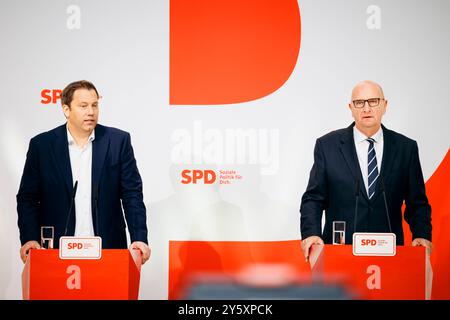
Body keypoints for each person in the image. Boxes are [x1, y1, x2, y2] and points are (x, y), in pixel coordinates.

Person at [17, 80, 151, 264]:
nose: (91, 112)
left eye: (95, 105)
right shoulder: (42, 145)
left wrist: (139, 237)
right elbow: (28, 197)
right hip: (54, 251)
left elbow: (132, 194)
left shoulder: (118, 141)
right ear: (66, 109)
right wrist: (30, 238)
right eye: (83, 106)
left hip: (108, 249)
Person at [300, 80, 432, 261]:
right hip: (340, 253)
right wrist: (311, 233)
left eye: (373, 101)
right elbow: (313, 198)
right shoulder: (327, 146)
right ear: (351, 108)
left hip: (390, 254)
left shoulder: (405, 148)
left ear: (385, 105)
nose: (366, 108)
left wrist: (421, 234)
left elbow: (417, 203)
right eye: (359, 103)